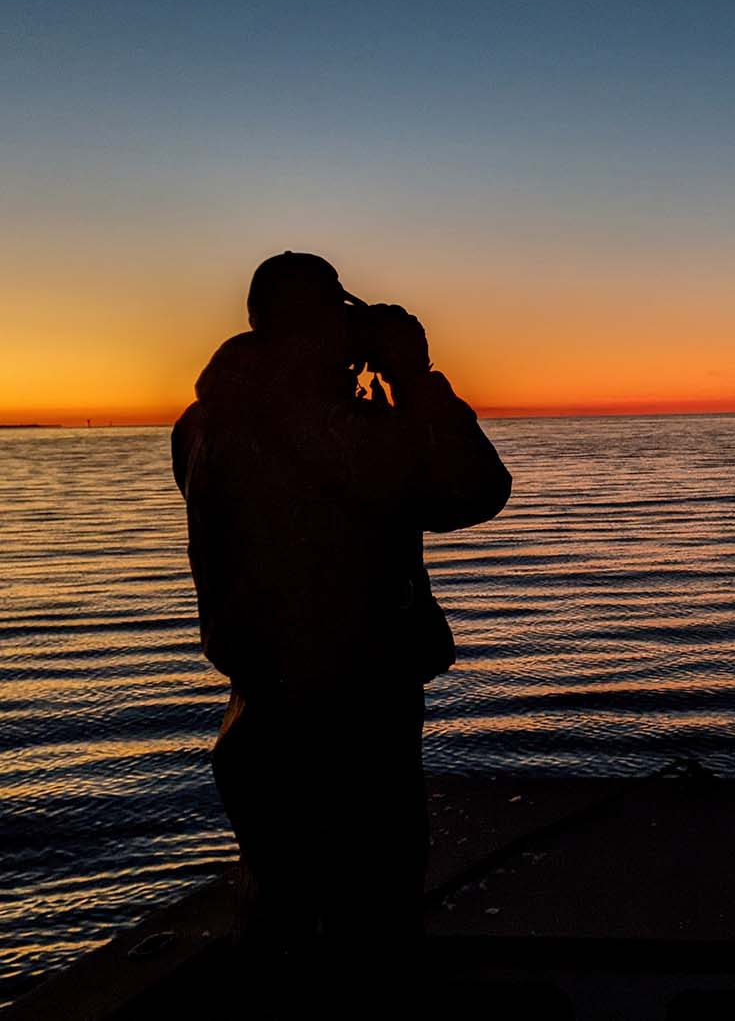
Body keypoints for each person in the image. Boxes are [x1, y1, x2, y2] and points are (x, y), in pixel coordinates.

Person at [170, 252, 510, 988]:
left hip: (258, 710)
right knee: (370, 924)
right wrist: (414, 377)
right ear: (321, 327)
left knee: (280, 907)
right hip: (353, 714)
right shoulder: (341, 430)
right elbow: (477, 487)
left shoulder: (202, 422)